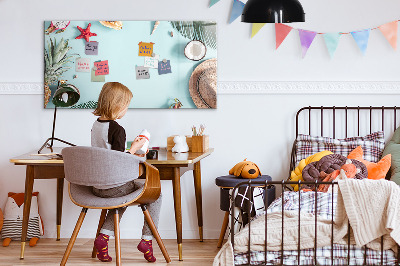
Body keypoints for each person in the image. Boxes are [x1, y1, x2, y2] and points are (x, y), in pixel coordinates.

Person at [91, 82, 161, 263]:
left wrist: (130, 149)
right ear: (117, 105)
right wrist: (136, 148)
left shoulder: (96, 125)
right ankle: (147, 240)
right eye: (126, 106)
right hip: (114, 186)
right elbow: (119, 161)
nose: (126, 110)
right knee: (156, 194)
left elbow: (108, 154)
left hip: (97, 186)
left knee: (121, 197)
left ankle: (103, 238)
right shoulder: (117, 129)